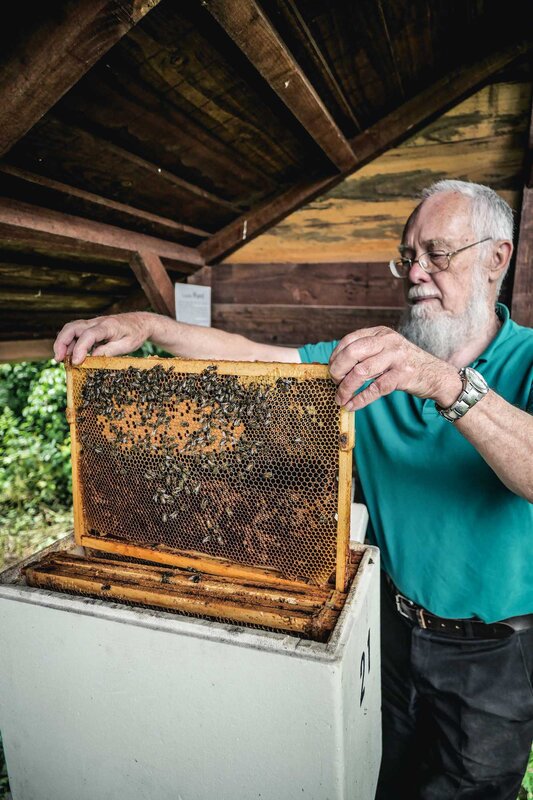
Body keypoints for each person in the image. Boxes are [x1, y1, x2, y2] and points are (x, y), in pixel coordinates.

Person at [54, 180, 533, 799]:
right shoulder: (374, 359)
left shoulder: (519, 362)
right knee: (376, 775)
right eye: (407, 256)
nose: (415, 272)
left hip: (494, 657)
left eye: (436, 254)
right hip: (387, 629)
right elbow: (256, 356)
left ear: (497, 257)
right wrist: (147, 323)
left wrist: (442, 382)